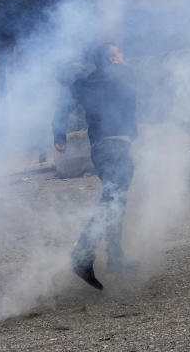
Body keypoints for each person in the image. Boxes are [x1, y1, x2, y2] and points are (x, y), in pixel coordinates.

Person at [53, 43, 138, 291]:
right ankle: (82, 256)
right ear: (111, 59)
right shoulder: (118, 76)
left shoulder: (87, 81)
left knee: (116, 199)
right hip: (114, 148)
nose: (124, 55)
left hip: (104, 147)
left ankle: (115, 257)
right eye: (119, 53)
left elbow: (64, 105)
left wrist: (59, 135)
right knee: (113, 199)